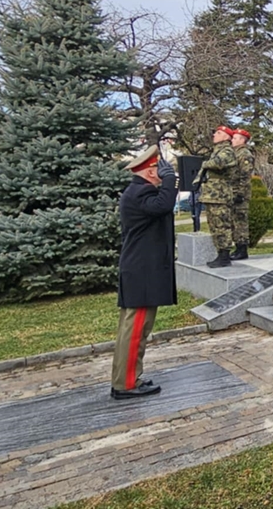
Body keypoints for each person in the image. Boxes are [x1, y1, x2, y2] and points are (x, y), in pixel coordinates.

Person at [111, 147, 178, 400]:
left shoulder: (138, 191)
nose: (162, 175)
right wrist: (170, 180)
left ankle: (127, 378)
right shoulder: (141, 192)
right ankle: (125, 384)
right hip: (141, 271)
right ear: (151, 171)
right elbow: (164, 205)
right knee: (135, 330)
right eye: (160, 171)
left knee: (136, 329)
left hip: (140, 270)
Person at [201, 125, 238, 268]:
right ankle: (220, 253)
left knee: (222, 224)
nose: (214, 135)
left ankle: (224, 256)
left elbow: (217, 163)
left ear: (226, 137)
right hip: (212, 194)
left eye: (218, 133)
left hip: (220, 194)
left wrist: (204, 163)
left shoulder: (227, 151)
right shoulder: (217, 150)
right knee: (214, 225)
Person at [230, 128, 254, 260]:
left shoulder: (244, 154)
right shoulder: (234, 153)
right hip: (232, 191)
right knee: (234, 221)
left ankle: (242, 249)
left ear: (242, 140)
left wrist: (240, 193)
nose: (232, 140)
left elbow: (245, 175)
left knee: (240, 222)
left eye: (235, 138)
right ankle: (238, 247)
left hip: (240, 193)